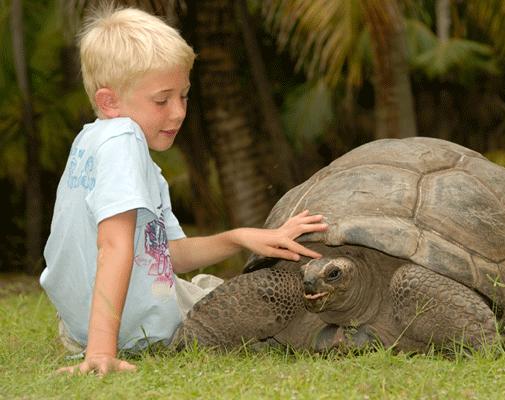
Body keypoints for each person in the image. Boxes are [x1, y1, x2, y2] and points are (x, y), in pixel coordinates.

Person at [40, 5, 327, 377]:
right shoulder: (123, 140)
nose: (177, 113)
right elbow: (113, 246)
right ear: (109, 101)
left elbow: (167, 256)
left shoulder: (91, 142)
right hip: (125, 331)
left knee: (205, 289)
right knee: (267, 302)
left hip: (81, 325)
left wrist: (239, 237)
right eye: (162, 100)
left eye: (184, 96)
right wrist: (100, 351)